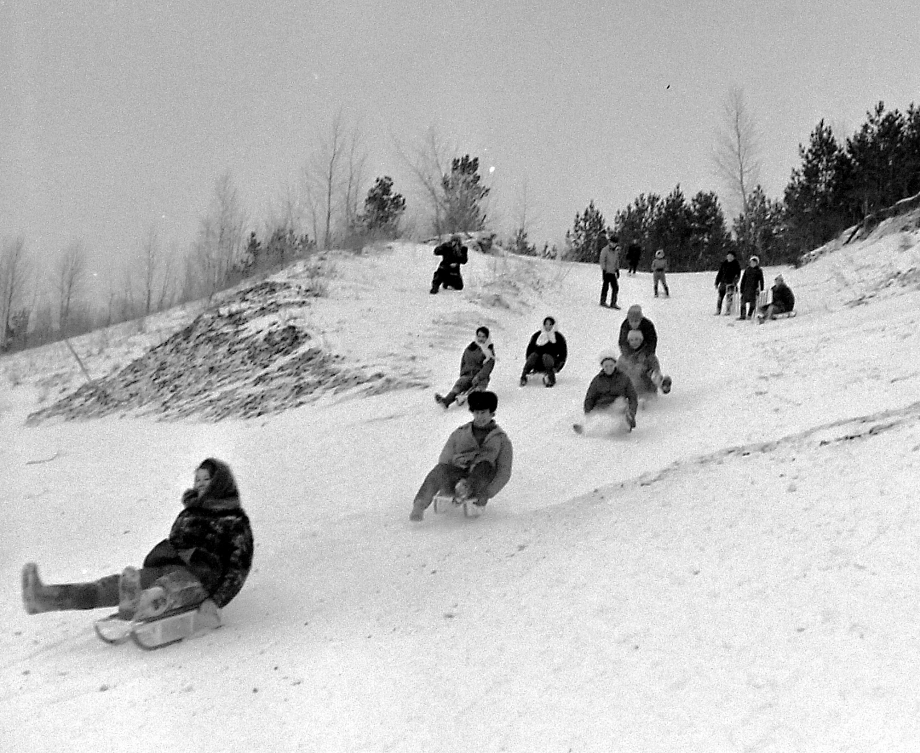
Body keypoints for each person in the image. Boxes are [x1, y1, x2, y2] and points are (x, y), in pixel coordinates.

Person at [22, 458, 254, 623]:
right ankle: (46, 598)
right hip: (167, 567)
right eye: (198, 479)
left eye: (207, 479)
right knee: (112, 586)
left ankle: (136, 603)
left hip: (201, 580)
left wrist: (215, 601)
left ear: (220, 483)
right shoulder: (189, 513)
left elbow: (238, 570)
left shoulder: (234, 521)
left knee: (163, 588)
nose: (200, 484)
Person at [410, 391, 513, 521]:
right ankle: (420, 505)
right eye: (476, 413)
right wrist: (444, 483)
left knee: (484, 465)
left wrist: (488, 493)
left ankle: (465, 490)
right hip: (458, 473)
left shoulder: (501, 439)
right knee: (440, 469)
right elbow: (446, 458)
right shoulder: (460, 433)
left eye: (483, 413)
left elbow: (504, 471)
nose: (480, 417)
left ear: (492, 413)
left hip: (481, 480)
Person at [573, 351, 639, 434]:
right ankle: (587, 428)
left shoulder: (624, 378)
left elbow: (632, 397)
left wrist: (631, 412)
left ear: (615, 365)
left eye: (611, 365)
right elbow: (590, 397)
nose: (609, 368)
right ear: (602, 366)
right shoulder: (597, 380)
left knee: (619, 404)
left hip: (618, 408)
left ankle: (623, 425)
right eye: (606, 366)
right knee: (599, 418)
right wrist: (588, 413)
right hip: (602, 407)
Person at [435, 326, 496, 408]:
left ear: (487, 338)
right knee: (459, 385)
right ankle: (447, 401)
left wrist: (478, 377)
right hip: (468, 374)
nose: (481, 339)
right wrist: (462, 374)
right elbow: (464, 361)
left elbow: (488, 367)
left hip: (481, 377)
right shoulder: (470, 348)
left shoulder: (488, 351)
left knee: (477, 390)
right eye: (479, 336)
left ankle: (465, 397)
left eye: (483, 337)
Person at [617, 329, 672, 395]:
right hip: (629, 392)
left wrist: (645, 369)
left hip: (646, 390)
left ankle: (663, 384)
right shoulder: (623, 358)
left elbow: (656, 369)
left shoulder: (649, 356)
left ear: (641, 340)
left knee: (650, 372)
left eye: (636, 339)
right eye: (631, 340)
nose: (634, 342)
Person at [520, 316, 568, 387]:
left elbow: (563, 354)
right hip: (537, 361)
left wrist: (558, 367)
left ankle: (550, 378)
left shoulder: (558, 337)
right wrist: (529, 360)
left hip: (551, 362)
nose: (548, 326)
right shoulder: (537, 335)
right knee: (534, 355)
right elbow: (529, 350)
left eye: (550, 324)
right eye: (546, 324)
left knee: (546, 356)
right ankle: (524, 377)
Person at [598, 233, 621, 308]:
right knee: (605, 287)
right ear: (609, 242)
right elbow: (602, 260)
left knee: (615, 287)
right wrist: (604, 270)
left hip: (612, 272)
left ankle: (613, 303)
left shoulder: (616, 251)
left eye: (615, 243)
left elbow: (616, 261)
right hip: (606, 271)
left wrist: (617, 269)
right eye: (612, 243)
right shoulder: (605, 250)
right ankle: (603, 301)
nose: (613, 244)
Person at [714, 251, 742, 315]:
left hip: (731, 284)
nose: (729, 258)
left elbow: (738, 275)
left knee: (729, 297)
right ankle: (718, 310)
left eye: (731, 256)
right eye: (728, 256)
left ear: (733, 257)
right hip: (723, 282)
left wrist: (734, 282)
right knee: (720, 297)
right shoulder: (724, 264)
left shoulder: (736, 264)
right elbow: (720, 274)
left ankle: (728, 310)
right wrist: (717, 282)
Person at [738, 255, 765, 320]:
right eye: (751, 262)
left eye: (754, 262)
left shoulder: (759, 270)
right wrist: (741, 288)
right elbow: (743, 279)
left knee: (752, 304)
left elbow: (761, 280)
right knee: (743, 302)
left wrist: (761, 288)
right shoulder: (747, 269)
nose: (752, 264)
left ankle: (749, 315)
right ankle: (742, 315)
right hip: (746, 289)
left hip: (754, 289)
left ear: (756, 263)